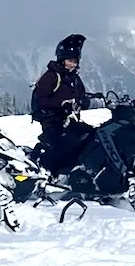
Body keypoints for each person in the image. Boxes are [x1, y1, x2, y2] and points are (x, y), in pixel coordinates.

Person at [30, 34, 92, 174]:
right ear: (62, 59)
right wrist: (62, 105)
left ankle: (79, 171)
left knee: (91, 136)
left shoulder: (74, 79)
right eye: (69, 61)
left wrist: (84, 102)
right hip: (52, 121)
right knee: (68, 143)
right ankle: (46, 170)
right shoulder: (51, 76)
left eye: (75, 61)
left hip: (71, 122)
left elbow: (82, 97)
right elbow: (42, 100)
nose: (72, 64)